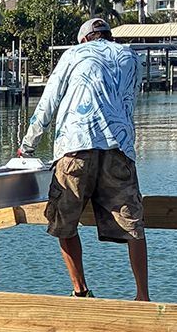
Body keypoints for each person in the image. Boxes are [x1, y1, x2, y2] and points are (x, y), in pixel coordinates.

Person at [18, 15, 150, 301]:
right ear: (108, 36)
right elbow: (129, 100)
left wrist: (27, 146)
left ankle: (81, 291)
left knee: (63, 220)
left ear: (83, 39)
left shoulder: (74, 54)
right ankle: (143, 296)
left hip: (75, 145)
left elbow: (48, 102)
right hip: (119, 148)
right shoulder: (131, 56)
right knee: (133, 224)